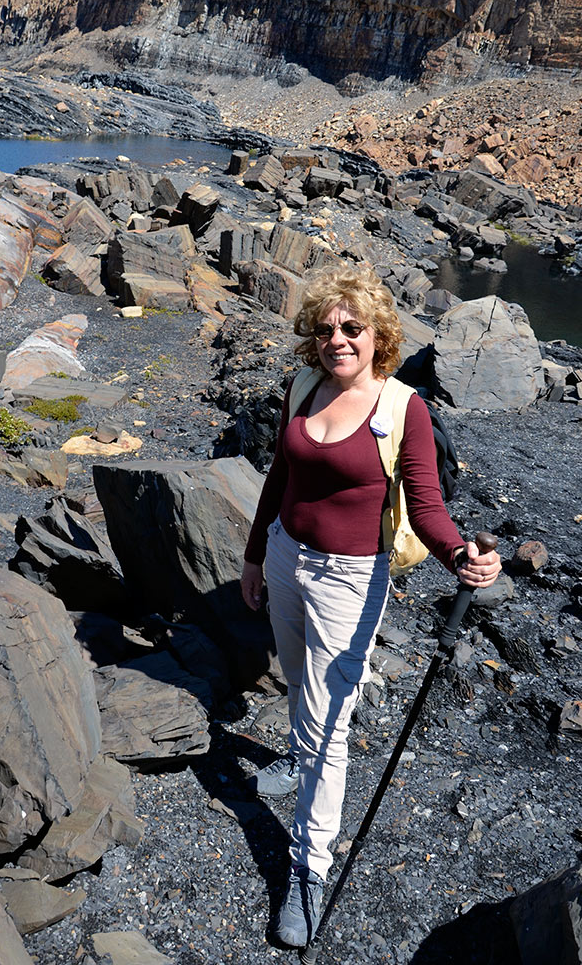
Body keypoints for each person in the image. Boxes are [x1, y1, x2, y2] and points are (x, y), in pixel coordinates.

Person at [240, 263, 501, 948]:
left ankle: (308, 868)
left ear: (379, 333)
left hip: (351, 579)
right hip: (286, 556)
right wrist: (252, 553)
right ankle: (293, 759)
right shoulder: (304, 385)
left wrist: (459, 560)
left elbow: (427, 506)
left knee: (331, 728)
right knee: (298, 682)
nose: (337, 339)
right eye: (325, 329)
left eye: (352, 328)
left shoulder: (402, 408)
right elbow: (280, 472)